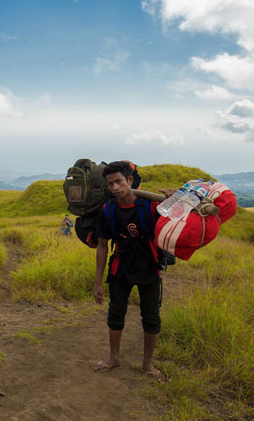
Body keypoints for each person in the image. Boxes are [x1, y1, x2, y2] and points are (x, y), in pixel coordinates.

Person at [90, 161, 174, 383]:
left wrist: (174, 200)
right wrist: (98, 282)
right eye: (110, 184)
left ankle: (147, 364)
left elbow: (177, 221)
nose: (115, 188)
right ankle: (113, 358)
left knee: (151, 317)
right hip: (120, 269)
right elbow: (101, 245)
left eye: (119, 181)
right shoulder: (108, 210)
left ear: (129, 180)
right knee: (115, 314)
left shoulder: (151, 207)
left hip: (149, 270)